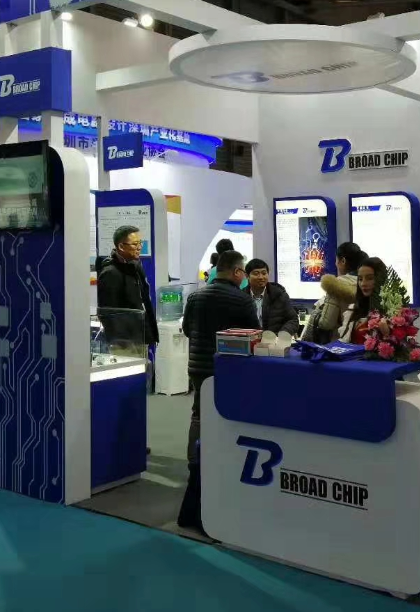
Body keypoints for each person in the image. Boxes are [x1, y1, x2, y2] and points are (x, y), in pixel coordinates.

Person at [178, 249, 259, 534]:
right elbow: (255, 334)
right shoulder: (242, 299)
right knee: (225, 417)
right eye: (244, 272)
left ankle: (195, 464)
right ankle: (221, 465)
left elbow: (187, 329)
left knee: (198, 415)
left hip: (197, 367)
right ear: (237, 272)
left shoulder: (195, 296)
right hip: (227, 368)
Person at [96, 225, 160, 350]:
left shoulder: (135, 267)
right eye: (135, 244)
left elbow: (143, 302)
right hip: (125, 343)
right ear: (121, 246)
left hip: (141, 337)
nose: (139, 247)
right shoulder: (110, 273)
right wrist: (124, 342)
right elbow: (108, 313)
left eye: (140, 243)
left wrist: (150, 334)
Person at [301, 242, 367, 343]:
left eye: (336, 260)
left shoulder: (335, 285)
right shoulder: (367, 284)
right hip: (364, 342)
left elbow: (326, 323)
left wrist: (317, 314)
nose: (335, 264)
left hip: (339, 344)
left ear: (343, 261)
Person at [338, 257, 388, 344]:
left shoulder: (393, 311)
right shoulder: (353, 310)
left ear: (380, 279)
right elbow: (344, 341)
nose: (363, 284)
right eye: (360, 279)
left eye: (369, 278)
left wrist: (387, 334)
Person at [243, 258, 299, 335]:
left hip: (275, 339)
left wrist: (282, 335)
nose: (261, 277)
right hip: (249, 339)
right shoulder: (241, 297)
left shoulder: (279, 295)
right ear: (247, 276)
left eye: (264, 273)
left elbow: (293, 320)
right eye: (256, 274)